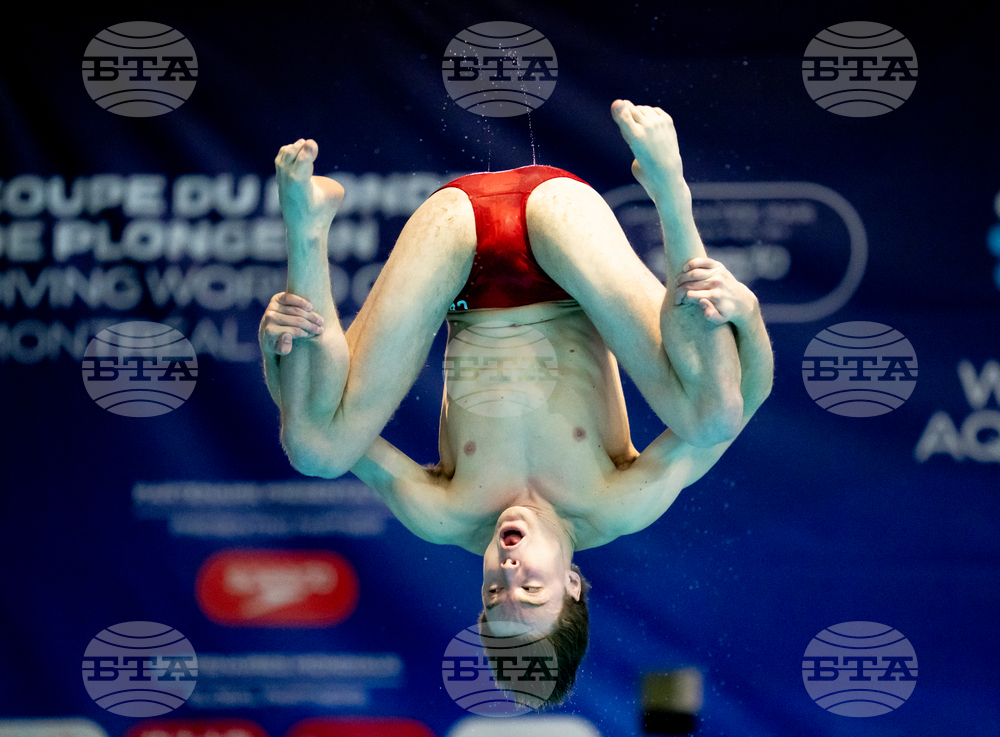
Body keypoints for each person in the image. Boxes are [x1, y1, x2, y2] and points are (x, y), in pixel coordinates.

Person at [259, 100, 773, 705]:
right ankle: (671, 193)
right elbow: (746, 398)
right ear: (572, 584)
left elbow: (312, 424)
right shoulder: (620, 502)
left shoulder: (444, 515)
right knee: (711, 417)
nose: (507, 573)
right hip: (563, 236)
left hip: (453, 246)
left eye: (492, 596)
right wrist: (748, 315)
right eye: (530, 592)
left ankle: (306, 227)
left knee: (315, 452)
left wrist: (275, 356)